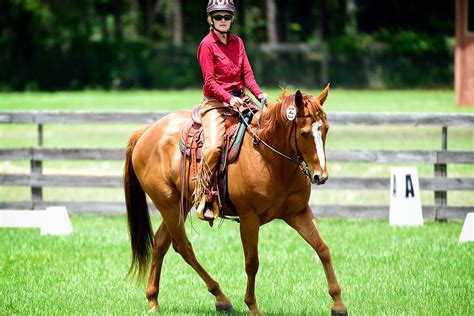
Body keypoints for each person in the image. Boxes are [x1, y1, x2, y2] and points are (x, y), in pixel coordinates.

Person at [194, 0, 268, 221]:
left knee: (267, 128)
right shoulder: (207, 45)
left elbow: (247, 76)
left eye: (227, 16)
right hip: (216, 105)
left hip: (242, 100)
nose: (223, 20)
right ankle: (203, 196)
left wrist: (259, 94)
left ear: (232, 18)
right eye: (218, 17)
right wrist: (229, 99)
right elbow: (209, 83)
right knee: (214, 147)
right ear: (210, 20)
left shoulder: (238, 42)